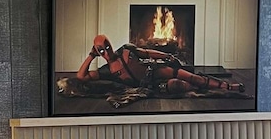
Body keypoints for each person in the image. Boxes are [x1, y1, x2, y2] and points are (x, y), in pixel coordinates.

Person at [75, 34, 244, 95]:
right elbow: (81, 77)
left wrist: (167, 55)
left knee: (192, 76)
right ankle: (199, 88)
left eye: (107, 46)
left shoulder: (126, 49)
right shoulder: (106, 71)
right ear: (98, 52)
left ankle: (227, 87)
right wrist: (91, 56)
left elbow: (147, 53)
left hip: (157, 70)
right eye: (101, 50)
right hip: (151, 86)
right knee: (178, 85)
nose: (106, 51)